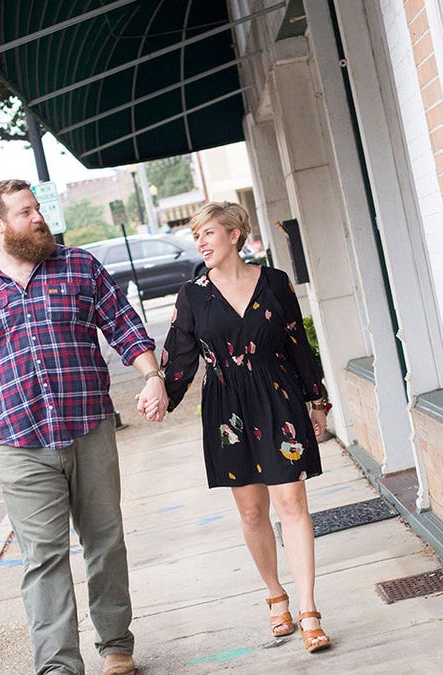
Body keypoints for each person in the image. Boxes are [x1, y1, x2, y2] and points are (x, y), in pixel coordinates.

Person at [0, 179, 168, 675]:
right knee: (43, 560)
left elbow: (125, 325)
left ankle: (115, 645)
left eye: (38, 208)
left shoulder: (79, 266)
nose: (39, 217)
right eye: (26, 212)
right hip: (22, 445)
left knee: (105, 542)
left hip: (88, 430)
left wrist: (152, 377)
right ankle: (59, 665)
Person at [161, 201, 332, 652]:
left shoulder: (274, 283)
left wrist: (317, 399)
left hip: (278, 398)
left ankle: (309, 610)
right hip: (227, 410)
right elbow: (180, 359)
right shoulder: (193, 295)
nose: (200, 243)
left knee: (291, 500)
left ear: (235, 235)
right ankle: (276, 596)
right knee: (253, 511)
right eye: (196, 236)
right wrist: (160, 393)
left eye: (208, 234)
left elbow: (298, 344)